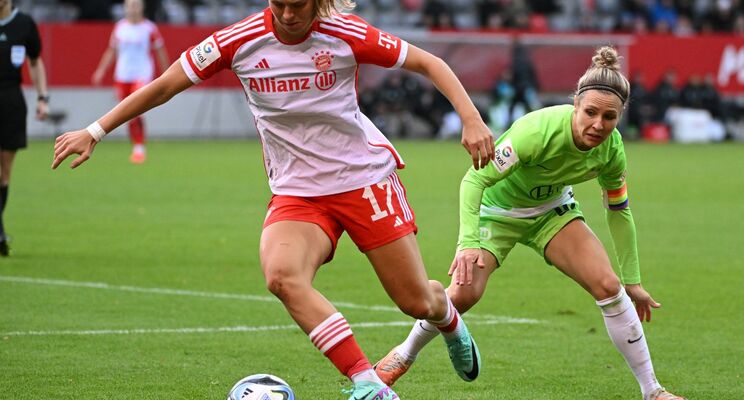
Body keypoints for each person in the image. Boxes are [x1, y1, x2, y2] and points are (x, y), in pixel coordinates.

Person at [52, 0, 495, 398]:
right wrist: (95, 130)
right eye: (278, 4)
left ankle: (448, 321)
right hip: (298, 192)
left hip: (363, 182)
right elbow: (167, 83)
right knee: (282, 276)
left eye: (298, 5)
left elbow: (429, 62)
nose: (288, 15)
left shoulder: (346, 32)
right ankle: (367, 382)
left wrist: (471, 119)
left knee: (417, 301)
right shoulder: (238, 40)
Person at [374, 46, 685, 400]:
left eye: (610, 117)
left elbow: (619, 211)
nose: (598, 125)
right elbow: (474, 181)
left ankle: (653, 391)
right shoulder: (537, 132)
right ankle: (403, 353)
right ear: (576, 105)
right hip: (499, 211)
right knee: (463, 295)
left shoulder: (612, 150)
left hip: (551, 212)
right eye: (591, 113)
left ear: (621, 117)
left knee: (609, 286)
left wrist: (634, 281)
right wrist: (469, 242)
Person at [92, 0, 169, 163]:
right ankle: (136, 145)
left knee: (137, 110)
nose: (132, 9)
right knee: (126, 113)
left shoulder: (149, 28)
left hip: (142, 75)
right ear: (125, 8)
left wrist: (166, 73)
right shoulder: (120, 28)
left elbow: (160, 51)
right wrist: (101, 70)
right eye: (129, 6)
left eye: (136, 5)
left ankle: (139, 147)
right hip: (122, 76)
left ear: (141, 7)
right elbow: (111, 51)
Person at [0, 0, 49, 256]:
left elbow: (35, 61)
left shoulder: (24, 24)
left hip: (11, 102)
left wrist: (43, 98)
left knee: (4, 173)